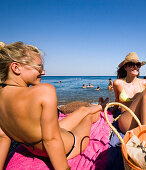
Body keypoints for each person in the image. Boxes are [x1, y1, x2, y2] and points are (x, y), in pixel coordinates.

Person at [0, 42, 109, 170]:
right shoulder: (44, 91)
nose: (44, 72)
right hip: (68, 147)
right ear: (16, 68)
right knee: (88, 117)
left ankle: (101, 106)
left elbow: (3, 137)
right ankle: (100, 108)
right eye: (39, 67)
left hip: (36, 146)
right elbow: (51, 140)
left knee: (82, 110)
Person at [113, 52, 146, 133]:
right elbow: (117, 100)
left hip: (142, 119)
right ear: (125, 67)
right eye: (132, 65)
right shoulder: (118, 83)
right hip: (127, 120)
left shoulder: (145, 83)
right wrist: (113, 111)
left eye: (138, 65)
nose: (135, 67)